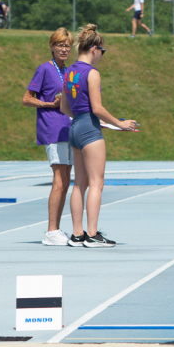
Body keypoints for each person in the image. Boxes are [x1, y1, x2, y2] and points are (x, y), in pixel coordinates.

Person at [58, 24, 138, 247]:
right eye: (102, 51)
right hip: (89, 129)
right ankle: (92, 234)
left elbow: (64, 107)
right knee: (96, 182)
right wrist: (120, 123)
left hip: (75, 127)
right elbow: (97, 108)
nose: (102, 55)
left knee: (79, 183)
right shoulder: (92, 73)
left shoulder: (69, 71)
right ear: (94, 49)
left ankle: (77, 235)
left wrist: (87, 118)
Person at [23, 29, 74, 246]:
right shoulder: (45, 69)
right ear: (52, 47)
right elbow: (26, 99)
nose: (64, 49)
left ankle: (57, 229)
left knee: (66, 181)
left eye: (67, 45)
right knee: (59, 181)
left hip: (69, 128)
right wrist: (48, 104)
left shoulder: (68, 71)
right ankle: (51, 230)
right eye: (60, 45)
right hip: (53, 128)